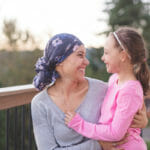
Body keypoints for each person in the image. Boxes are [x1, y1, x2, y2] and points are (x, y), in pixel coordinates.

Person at [31, 33, 148, 150]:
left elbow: (130, 103)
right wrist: (98, 145)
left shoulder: (102, 89)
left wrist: (142, 121)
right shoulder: (40, 103)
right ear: (60, 61)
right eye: (80, 55)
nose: (87, 62)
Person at [65, 27, 149, 150]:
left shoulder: (130, 90)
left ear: (123, 56)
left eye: (107, 52)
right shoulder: (114, 79)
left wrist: (80, 124)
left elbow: (115, 133)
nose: (103, 58)